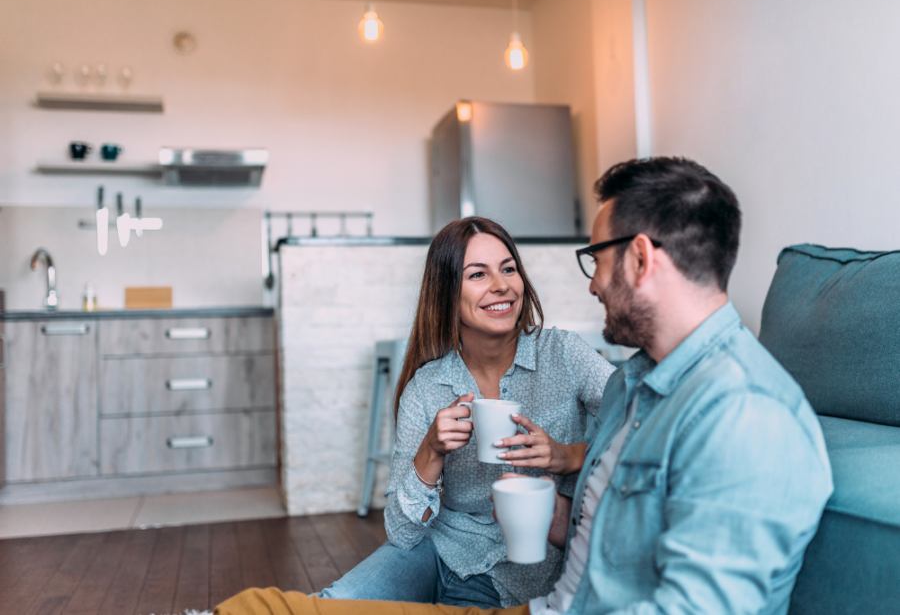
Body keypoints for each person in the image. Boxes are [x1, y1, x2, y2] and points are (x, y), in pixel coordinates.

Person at [215, 157, 833, 615]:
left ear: (640, 259)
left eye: (597, 261)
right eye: (478, 275)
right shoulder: (637, 384)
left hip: (536, 600)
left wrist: (561, 460)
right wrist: (454, 467)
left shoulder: (744, 414)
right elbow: (596, 526)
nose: (591, 286)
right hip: (515, 588)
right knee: (261, 606)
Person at [316, 216, 616, 608]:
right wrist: (431, 451)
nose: (501, 286)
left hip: (527, 568)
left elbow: (643, 423)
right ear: (446, 293)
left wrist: (568, 455)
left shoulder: (564, 354)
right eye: (478, 274)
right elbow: (402, 534)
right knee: (334, 602)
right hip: (439, 551)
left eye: (508, 269)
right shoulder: (427, 387)